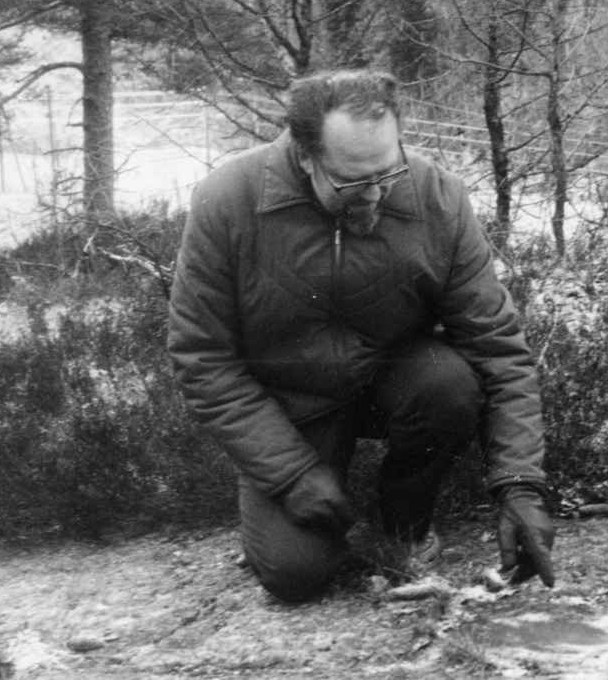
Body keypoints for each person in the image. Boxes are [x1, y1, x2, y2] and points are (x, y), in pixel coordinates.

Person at [167, 69, 554, 603]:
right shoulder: (228, 198)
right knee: (293, 577)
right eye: (351, 183)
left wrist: (520, 485)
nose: (375, 195)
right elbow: (202, 359)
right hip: (292, 409)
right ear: (305, 156)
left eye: (388, 171)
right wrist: (291, 474)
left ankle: (404, 523)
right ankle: (316, 504)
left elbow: (499, 349)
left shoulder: (438, 196)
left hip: (392, 380)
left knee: (448, 383)